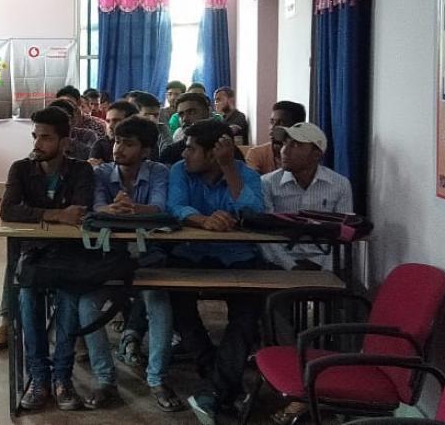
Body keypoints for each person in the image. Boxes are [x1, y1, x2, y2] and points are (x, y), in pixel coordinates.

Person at [165, 120, 267, 424]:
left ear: (213, 153)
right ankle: (219, 380)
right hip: (191, 254)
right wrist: (203, 220)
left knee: (246, 316)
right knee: (177, 302)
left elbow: (253, 212)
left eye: (192, 149)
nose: (184, 154)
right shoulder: (180, 171)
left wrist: (228, 168)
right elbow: (175, 207)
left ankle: (215, 388)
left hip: (237, 257)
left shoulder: (245, 174)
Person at [80, 116, 183, 411]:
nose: (118, 148)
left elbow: (160, 207)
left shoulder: (159, 171)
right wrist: (115, 210)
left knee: (159, 303)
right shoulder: (102, 172)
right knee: (87, 306)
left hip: (148, 255)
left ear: (146, 150)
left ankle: (157, 379)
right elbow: (97, 206)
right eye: (117, 141)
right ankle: (105, 379)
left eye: (128, 144)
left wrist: (128, 209)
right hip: (109, 256)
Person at [0, 106, 92, 411]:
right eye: (35, 136)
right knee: (27, 299)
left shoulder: (81, 171)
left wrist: (42, 214)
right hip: (34, 254)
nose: (37, 143)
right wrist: (56, 215)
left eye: (46, 138)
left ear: (65, 142)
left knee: (68, 300)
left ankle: (62, 377)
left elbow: (80, 211)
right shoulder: (21, 169)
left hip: (70, 254)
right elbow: (8, 210)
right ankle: (39, 377)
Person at [261, 123, 353, 270]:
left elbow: (344, 233)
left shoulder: (339, 184)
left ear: (316, 154)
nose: (284, 150)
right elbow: (264, 233)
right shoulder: (267, 183)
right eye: (285, 143)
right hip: (280, 264)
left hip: (324, 263)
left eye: (295, 145)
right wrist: (290, 266)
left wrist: (323, 268)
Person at [158, 93, 222, 166]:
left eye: (192, 112)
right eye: (181, 114)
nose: (185, 119)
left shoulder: (223, 147)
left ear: (207, 113)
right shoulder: (170, 154)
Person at [246, 101, 306, 175]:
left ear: (296, 127)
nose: (273, 127)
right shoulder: (257, 153)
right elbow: (254, 181)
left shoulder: (305, 155)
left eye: (281, 123)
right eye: (272, 122)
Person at [88, 100, 139, 166]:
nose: (110, 126)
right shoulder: (100, 144)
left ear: (131, 122)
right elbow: (93, 168)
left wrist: (104, 167)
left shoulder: (143, 144)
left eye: (116, 121)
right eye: (108, 121)